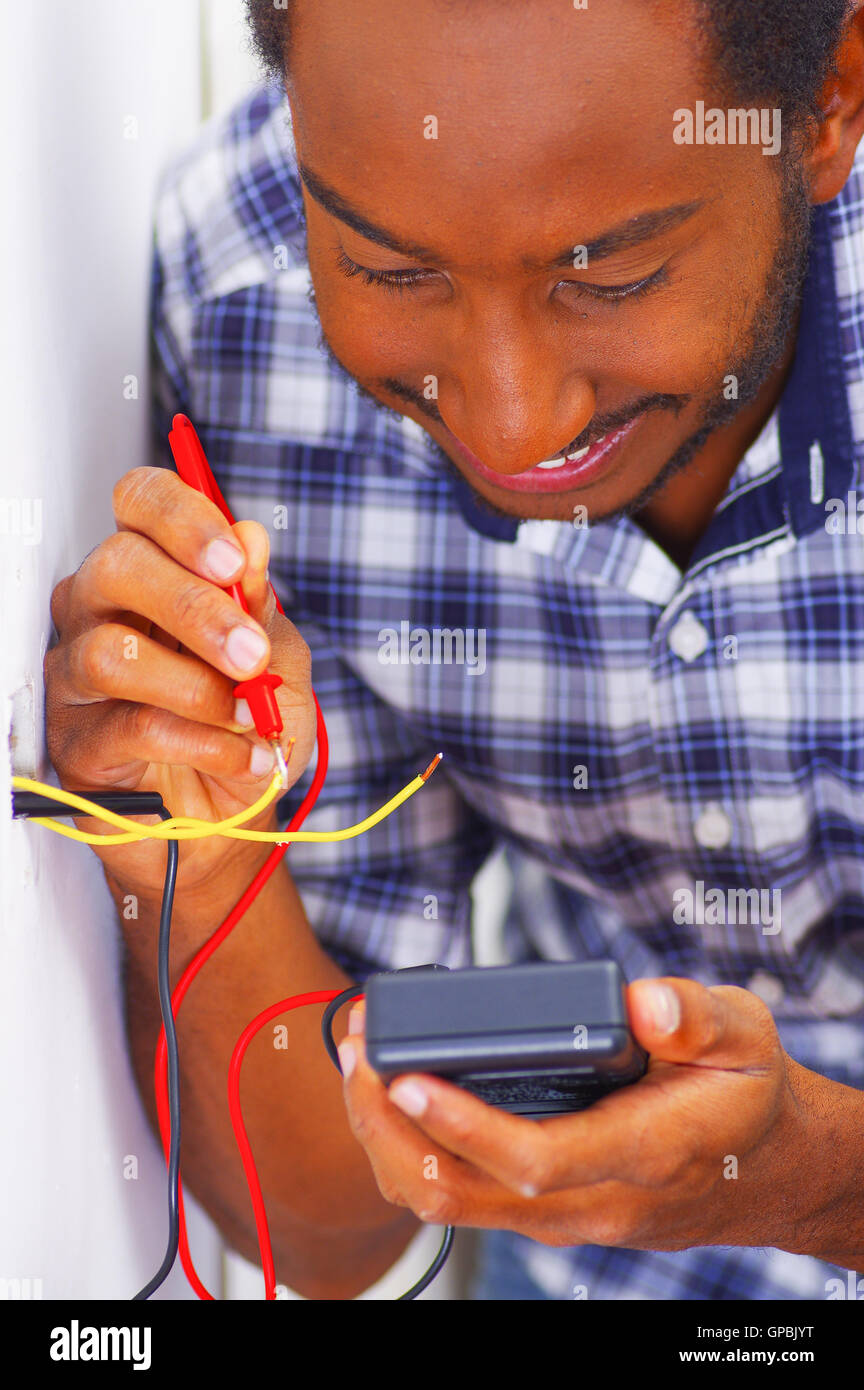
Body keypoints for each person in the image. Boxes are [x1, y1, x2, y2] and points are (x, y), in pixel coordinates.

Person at [44, 0, 864, 1300]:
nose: (512, 420)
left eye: (608, 279)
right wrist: (205, 862)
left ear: (829, 102)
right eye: (390, 269)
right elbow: (333, 1228)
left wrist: (813, 1174)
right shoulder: (248, 302)